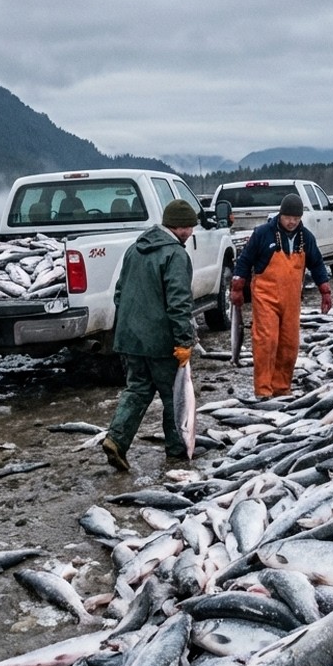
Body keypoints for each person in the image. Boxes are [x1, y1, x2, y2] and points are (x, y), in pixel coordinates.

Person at [101, 199, 198, 472]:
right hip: (161, 342)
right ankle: (178, 450)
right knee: (172, 396)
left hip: (129, 339)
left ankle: (116, 440)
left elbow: (119, 293)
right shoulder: (176, 255)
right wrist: (183, 341)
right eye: (189, 227)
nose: (191, 232)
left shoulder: (135, 249)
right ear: (177, 226)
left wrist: (125, 329)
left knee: (138, 390)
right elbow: (179, 303)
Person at [230, 193, 333, 400]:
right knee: (267, 341)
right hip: (265, 297)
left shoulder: (306, 237)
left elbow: (317, 264)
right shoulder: (262, 233)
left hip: (292, 300)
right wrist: (238, 286)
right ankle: (263, 390)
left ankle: (281, 388)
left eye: (296, 218)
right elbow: (244, 260)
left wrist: (325, 290)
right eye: (288, 217)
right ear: (280, 214)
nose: (292, 222)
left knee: (289, 344)